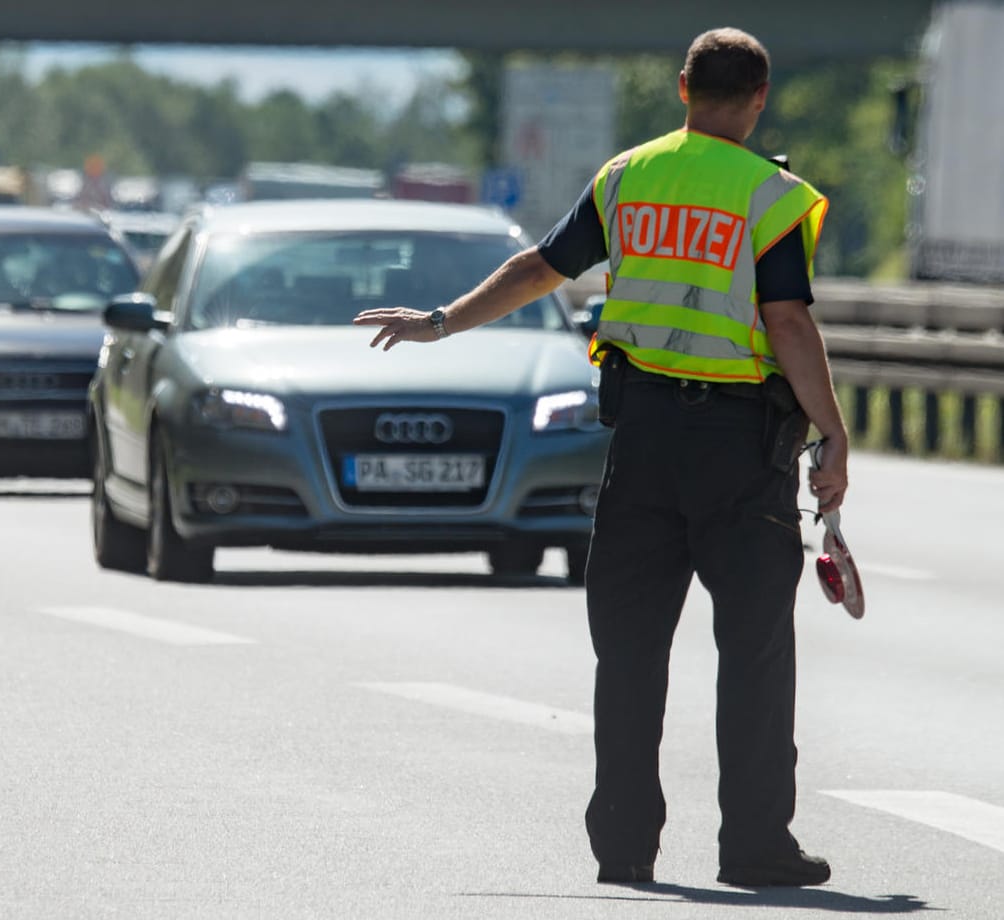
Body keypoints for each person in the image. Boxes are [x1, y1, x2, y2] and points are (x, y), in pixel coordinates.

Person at [353, 27, 847, 888]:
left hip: (642, 441)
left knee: (628, 650)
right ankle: (755, 846)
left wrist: (437, 323)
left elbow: (540, 268)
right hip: (739, 449)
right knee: (756, 649)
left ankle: (624, 846)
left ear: (682, 87)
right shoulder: (771, 199)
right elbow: (789, 323)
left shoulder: (628, 178)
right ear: (760, 98)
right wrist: (832, 433)